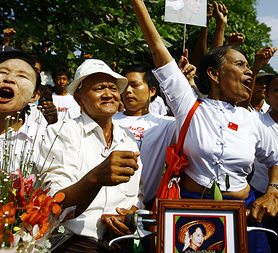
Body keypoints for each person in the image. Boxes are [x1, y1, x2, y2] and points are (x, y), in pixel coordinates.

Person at [131, 0, 278, 251]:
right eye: (240, 65)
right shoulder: (188, 105)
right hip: (191, 215)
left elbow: (275, 160)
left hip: (245, 217)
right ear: (214, 74)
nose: (249, 72)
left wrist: (272, 191)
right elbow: (157, 48)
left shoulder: (252, 119)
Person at [39, 59, 144, 252]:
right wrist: (96, 178)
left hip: (121, 243)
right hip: (74, 244)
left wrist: (130, 217)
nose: (108, 94)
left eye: (113, 88)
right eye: (98, 88)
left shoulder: (127, 138)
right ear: (79, 99)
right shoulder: (60, 133)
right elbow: (54, 204)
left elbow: (137, 196)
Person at [113, 63, 176, 209]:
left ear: (152, 91)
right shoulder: (109, 120)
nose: (128, 91)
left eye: (135, 85)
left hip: (145, 206)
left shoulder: (166, 125)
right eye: (125, 86)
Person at [0, 45, 45, 168]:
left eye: (22, 76)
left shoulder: (44, 140)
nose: (9, 79)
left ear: (34, 96)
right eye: (2, 72)